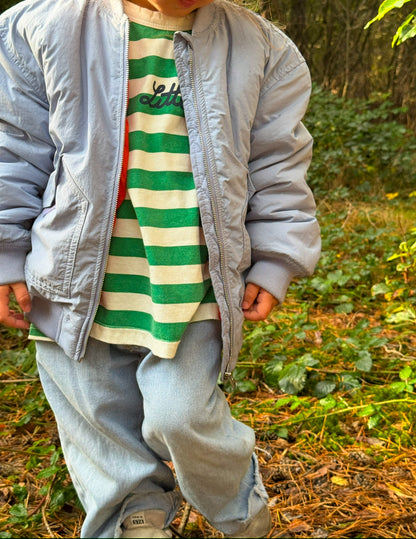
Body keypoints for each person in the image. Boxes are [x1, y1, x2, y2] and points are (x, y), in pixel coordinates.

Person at [0, 0, 321, 536]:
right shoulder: (39, 28)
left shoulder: (262, 49)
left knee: (183, 415)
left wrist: (276, 257)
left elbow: (278, 162)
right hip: (73, 284)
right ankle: (133, 518)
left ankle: (241, 515)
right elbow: (12, 147)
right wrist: (5, 249)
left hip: (192, 283)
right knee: (99, 423)